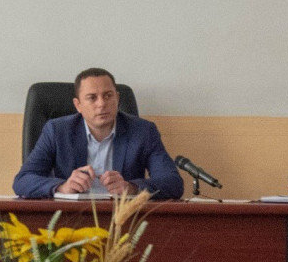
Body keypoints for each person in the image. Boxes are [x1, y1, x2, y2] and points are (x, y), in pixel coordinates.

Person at [13, 68, 183, 200]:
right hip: (71, 218)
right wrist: (62, 187)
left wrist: (131, 188)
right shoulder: (57, 131)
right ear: (78, 105)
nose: (101, 104)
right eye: (92, 98)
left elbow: (173, 183)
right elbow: (22, 181)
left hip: (122, 219)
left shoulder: (143, 131)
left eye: (108, 96)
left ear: (117, 98)